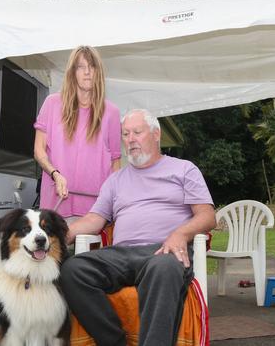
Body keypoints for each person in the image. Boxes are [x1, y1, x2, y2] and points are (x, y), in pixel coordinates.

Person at [60, 109, 216, 346]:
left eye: (137, 132)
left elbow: (207, 216)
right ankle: (114, 341)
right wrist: (65, 235)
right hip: (121, 255)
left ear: (156, 135)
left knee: (163, 267)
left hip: (164, 251)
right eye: (125, 134)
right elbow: (95, 219)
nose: (130, 139)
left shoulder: (184, 169)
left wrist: (180, 234)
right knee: (72, 270)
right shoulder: (115, 180)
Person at [34, 46, 121, 222]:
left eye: (92, 66)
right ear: (72, 72)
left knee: (89, 251)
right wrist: (55, 174)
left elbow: (115, 163)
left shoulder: (111, 112)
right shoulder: (52, 103)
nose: (87, 72)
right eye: (81, 67)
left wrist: (112, 201)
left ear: (99, 71)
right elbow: (39, 151)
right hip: (55, 204)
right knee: (54, 250)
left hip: (95, 211)